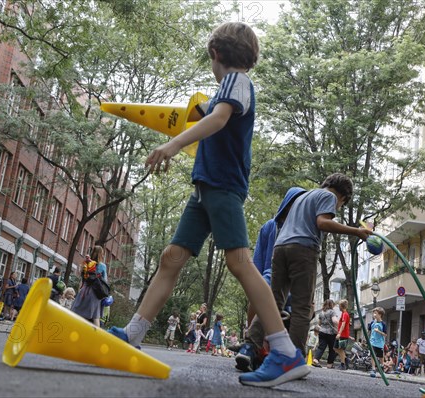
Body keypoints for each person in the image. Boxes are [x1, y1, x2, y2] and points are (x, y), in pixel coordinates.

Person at [107, 22, 310, 387]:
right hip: (204, 189)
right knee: (171, 257)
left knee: (239, 262)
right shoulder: (227, 88)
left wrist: (171, 146)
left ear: (216, 54)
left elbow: (218, 120)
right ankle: (133, 334)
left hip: (222, 187)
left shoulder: (235, 81)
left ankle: (284, 352)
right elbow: (207, 116)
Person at [237, 174, 371, 374]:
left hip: (280, 248)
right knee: (301, 308)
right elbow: (323, 222)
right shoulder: (329, 197)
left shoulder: (302, 197)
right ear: (343, 197)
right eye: (341, 204)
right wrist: (356, 231)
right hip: (303, 249)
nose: (338, 207)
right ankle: (293, 360)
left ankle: (249, 346)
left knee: (272, 302)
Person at [236, 187, 306, 368]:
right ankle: (251, 347)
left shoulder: (303, 231)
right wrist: (254, 282)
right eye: (294, 204)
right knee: (258, 294)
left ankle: (286, 356)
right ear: (287, 204)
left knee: (298, 311)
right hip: (270, 278)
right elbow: (259, 259)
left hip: (292, 287)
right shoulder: (269, 227)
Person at [71, 246, 107, 327]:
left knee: (76, 312)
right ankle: (95, 336)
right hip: (95, 293)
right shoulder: (102, 266)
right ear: (101, 254)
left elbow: (82, 278)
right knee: (95, 316)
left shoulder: (86, 263)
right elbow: (105, 281)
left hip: (84, 291)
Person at [313, 299, 338, 368]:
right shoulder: (332, 312)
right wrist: (338, 327)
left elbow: (319, 323)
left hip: (322, 332)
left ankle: (315, 359)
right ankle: (329, 364)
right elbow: (335, 321)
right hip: (331, 333)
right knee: (332, 349)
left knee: (321, 347)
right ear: (331, 304)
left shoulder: (322, 312)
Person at [334, 299, 353, 370]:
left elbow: (343, 324)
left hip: (342, 335)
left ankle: (343, 364)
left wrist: (339, 333)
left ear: (341, 306)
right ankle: (345, 360)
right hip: (343, 334)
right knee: (336, 348)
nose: (339, 307)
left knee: (340, 349)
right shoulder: (343, 314)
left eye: (339, 306)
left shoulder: (345, 314)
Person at [369, 307, 387, 377]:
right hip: (372, 342)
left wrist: (378, 331)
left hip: (380, 343)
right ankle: (373, 369)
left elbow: (385, 334)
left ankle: (381, 367)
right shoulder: (372, 323)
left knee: (380, 356)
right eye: (374, 313)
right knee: (373, 355)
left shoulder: (383, 324)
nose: (374, 315)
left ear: (380, 314)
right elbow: (369, 330)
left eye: (375, 313)